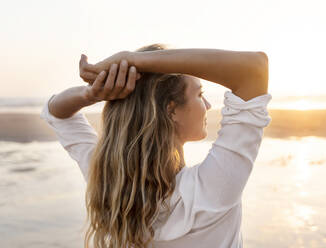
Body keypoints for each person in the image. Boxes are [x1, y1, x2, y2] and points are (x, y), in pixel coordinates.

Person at [40, 43, 272, 248]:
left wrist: (91, 93)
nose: (208, 104)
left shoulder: (109, 183)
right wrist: (132, 59)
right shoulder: (210, 191)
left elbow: (56, 113)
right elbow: (254, 69)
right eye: (199, 94)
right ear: (171, 110)